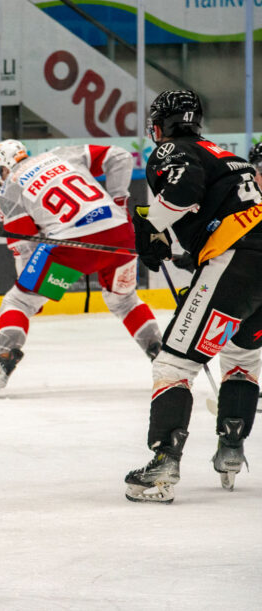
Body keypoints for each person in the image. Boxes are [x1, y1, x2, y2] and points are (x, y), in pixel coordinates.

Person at [124, 90, 262, 503]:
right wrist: (195, 252)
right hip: (250, 258)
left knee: (173, 364)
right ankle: (231, 449)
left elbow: (184, 191)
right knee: (241, 356)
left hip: (237, 261)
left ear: (161, 123)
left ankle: (163, 463)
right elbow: (227, 212)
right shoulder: (226, 155)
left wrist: (152, 226)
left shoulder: (173, 149)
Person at [0, 139, 161, 397]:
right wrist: (118, 200)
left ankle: (1, 366)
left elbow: (25, 249)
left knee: (18, 302)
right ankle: (162, 357)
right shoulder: (64, 154)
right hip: (121, 234)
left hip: (73, 246)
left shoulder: (10, 191)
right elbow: (120, 157)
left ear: (3, 167)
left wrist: (33, 297)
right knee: (125, 301)